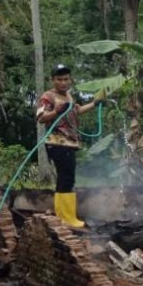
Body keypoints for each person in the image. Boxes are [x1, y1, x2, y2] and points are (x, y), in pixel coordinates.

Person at [36, 64, 102, 229]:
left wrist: (95, 104)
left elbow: (76, 111)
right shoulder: (48, 96)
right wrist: (56, 111)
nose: (63, 83)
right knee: (66, 179)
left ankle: (66, 216)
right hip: (57, 142)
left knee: (67, 178)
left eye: (66, 79)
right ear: (52, 80)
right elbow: (41, 117)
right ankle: (66, 218)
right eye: (59, 79)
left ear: (70, 79)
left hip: (70, 143)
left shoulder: (69, 96)